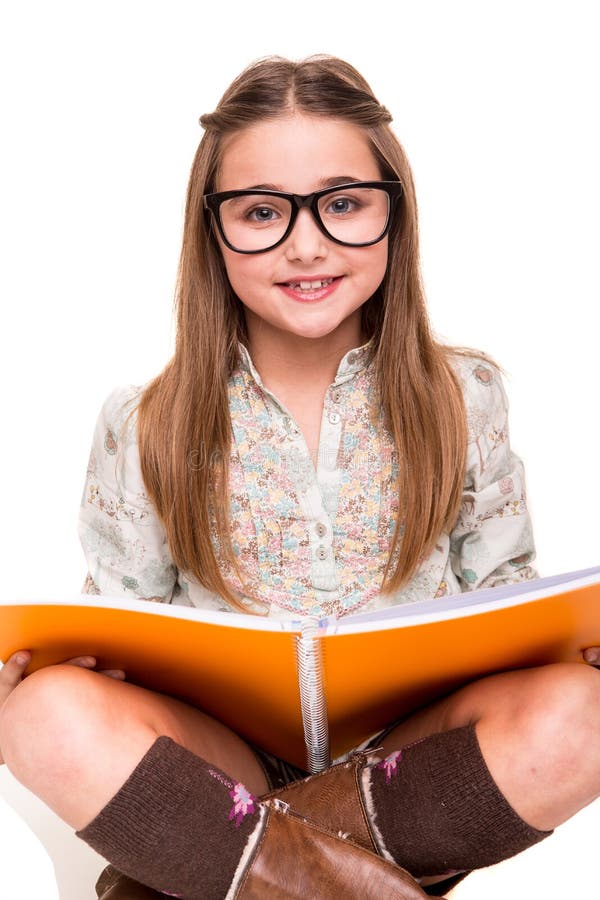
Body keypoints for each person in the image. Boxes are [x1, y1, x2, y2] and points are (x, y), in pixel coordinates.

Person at [1, 54, 600, 900]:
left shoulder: (466, 396)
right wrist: (64, 674)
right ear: (213, 230)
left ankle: (208, 868)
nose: (306, 244)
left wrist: (568, 648)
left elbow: (507, 596)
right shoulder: (145, 421)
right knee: (40, 714)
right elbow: (120, 642)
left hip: (409, 759)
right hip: (223, 761)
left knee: (585, 710)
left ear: (396, 214)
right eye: (261, 213)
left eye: (344, 203)